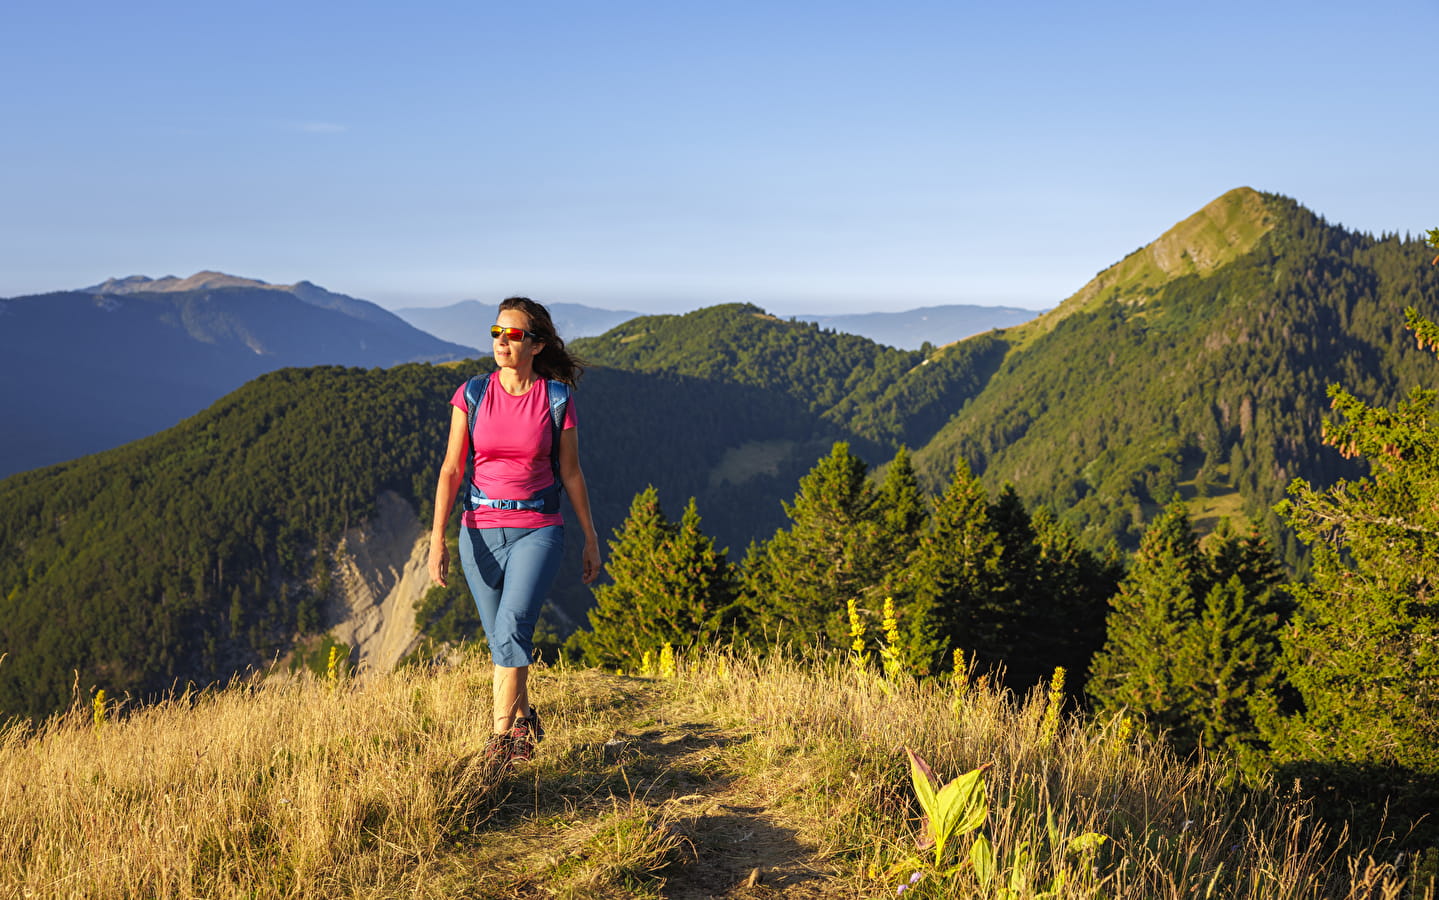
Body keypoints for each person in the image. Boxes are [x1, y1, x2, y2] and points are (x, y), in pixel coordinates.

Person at [427, 296, 600, 765]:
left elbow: (572, 473)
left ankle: (501, 743)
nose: (503, 341)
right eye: (497, 332)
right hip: (478, 530)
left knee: (511, 628)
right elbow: (450, 469)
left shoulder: (556, 399)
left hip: (537, 528)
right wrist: (436, 537)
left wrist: (590, 537)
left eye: (515, 334)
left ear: (537, 345)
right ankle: (524, 720)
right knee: (503, 640)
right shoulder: (473, 394)